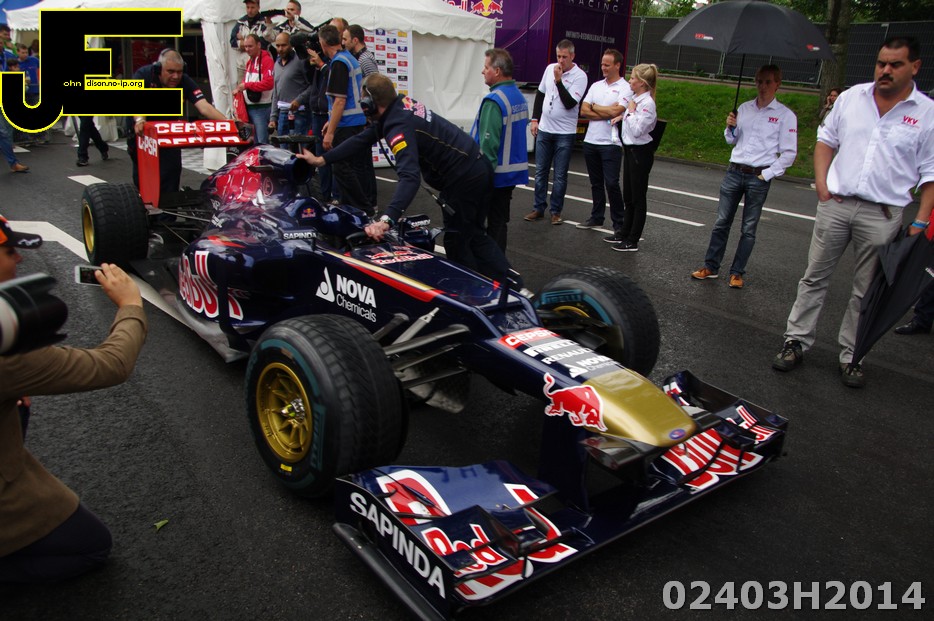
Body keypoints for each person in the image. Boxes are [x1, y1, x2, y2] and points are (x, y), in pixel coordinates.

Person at [772, 36, 934, 388]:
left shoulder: (927, 114)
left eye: (895, 64)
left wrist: (921, 221)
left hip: (882, 214)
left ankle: (852, 355)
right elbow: (825, 140)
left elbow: (931, 173)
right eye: (881, 63)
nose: (885, 70)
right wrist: (821, 184)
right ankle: (795, 341)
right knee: (814, 277)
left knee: (866, 290)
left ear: (914, 67)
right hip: (837, 205)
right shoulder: (851, 98)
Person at [0, 217, 148, 583]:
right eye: (9, 251)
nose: (19, 258)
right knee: (92, 545)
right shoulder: (9, 356)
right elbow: (111, 365)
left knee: (17, 403)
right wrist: (131, 305)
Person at [297, 73, 516, 285]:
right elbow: (362, 139)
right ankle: (511, 285)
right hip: (476, 168)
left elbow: (410, 177)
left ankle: (473, 292)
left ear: (370, 104)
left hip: (465, 178)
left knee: (458, 239)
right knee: (473, 235)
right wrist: (322, 160)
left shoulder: (398, 126)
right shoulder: (399, 107)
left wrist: (387, 220)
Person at [691, 65, 797, 288]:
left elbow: (789, 153)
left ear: (777, 84)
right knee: (721, 222)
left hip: (758, 176)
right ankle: (711, 266)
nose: (762, 86)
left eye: (768, 82)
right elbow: (732, 140)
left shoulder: (785, 116)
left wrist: (767, 174)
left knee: (748, 228)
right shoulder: (744, 108)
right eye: (759, 81)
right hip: (735, 171)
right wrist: (730, 127)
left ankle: (737, 272)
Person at [126, 49, 227, 195]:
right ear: (159, 69)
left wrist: (229, 122)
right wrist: (140, 120)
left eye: (179, 72)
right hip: (142, 132)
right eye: (171, 72)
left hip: (167, 133)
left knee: (171, 172)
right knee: (143, 176)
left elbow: (204, 107)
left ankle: (168, 206)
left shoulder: (184, 80)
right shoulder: (144, 75)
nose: (175, 76)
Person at [524, 39, 587, 225]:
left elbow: (570, 103)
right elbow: (541, 94)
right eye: (558, 56)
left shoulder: (580, 76)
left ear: (572, 56)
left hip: (564, 132)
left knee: (559, 175)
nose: (561, 61)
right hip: (545, 128)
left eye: (564, 57)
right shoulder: (549, 68)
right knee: (540, 171)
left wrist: (559, 81)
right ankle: (538, 207)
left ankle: (556, 211)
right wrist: (535, 119)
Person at [471, 48, 529, 252]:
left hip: (493, 176)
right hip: (510, 175)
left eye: (486, 67)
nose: (482, 71)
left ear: (497, 71)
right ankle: (498, 265)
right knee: (498, 224)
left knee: (476, 225)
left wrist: (479, 178)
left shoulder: (494, 100)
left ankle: (484, 266)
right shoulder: (518, 97)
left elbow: (488, 146)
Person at [318, 24, 371, 213]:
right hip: (355, 122)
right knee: (352, 168)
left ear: (323, 43)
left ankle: (361, 209)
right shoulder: (349, 58)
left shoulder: (339, 63)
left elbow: (340, 100)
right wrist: (330, 120)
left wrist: (330, 132)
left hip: (346, 124)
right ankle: (357, 208)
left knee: (342, 168)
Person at [608, 63, 659, 253]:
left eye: (632, 78)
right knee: (628, 196)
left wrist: (629, 112)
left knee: (638, 197)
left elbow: (638, 130)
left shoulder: (647, 104)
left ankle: (633, 239)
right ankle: (623, 233)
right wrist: (623, 117)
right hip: (630, 150)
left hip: (640, 153)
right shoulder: (636, 100)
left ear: (642, 83)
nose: (629, 81)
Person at [577, 49, 630, 232]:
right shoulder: (596, 86)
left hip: (611, 143)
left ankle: (619, 223)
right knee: (596, 183)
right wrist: (605, 111)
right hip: (591, 140)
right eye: (602, 64)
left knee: (612, 183)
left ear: (617, 65)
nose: (603, 68)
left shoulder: (625, 87)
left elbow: (617, 111)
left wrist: (595, 107)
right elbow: (583, 110)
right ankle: (596, 216)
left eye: (607, 65)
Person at [235, 34, 274, 145]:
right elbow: (245, 81)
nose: (247, 49)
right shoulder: (250, 61)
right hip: (249, 108)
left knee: (261, 142)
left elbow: (269, 83)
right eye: (246, 47)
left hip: (261, 108)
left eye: (250, 46)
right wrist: (239, 88)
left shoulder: (267, 61)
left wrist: (247, 85)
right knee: (253, 142)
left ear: (259, 45)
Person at [269, 33, 310, 138]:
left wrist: (299, 100)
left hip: (299, 113)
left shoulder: (301, 61)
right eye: (278, 46)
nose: (280, 49)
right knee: (283, 146)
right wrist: (273, 118)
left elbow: (312, 86)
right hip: (282, 114)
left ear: (291, 45)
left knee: (299, 145)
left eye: (284, 45)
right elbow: (276, 92)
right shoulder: (276, 64)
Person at [16, 44, 47, 145]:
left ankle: (39, 136)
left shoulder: (34, 60)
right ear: (18, 52)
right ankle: (26, 137)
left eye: (26, 52)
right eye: (23, 53)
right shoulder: (15, 63)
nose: (25, 54)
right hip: (23, 92)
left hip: (35, 91)